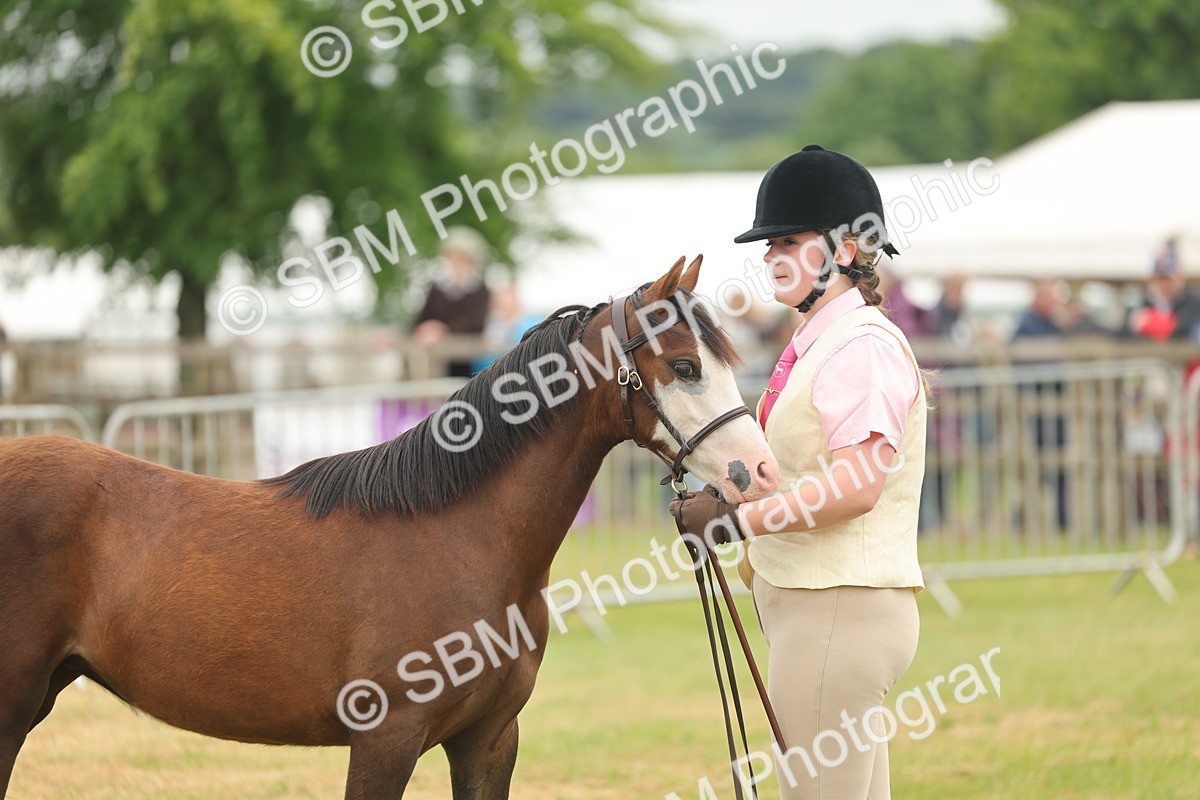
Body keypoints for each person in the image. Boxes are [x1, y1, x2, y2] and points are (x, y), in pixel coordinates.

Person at [670, 145, 925, 800]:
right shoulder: (822, 341)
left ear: (843, 248)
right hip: (822, 610)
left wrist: (737, 520)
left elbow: (858, 486)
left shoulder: (860, 346)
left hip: (836, 612)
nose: (770, 257)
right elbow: (802, 470)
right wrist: (723, 492)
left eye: (787, 241)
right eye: (768, 244)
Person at [410, 226, 492, 378]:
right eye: (452, 258)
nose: (456, 264)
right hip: (435, 361)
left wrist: (442, 330)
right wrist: (424, 329)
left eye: (461, 259)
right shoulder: (436, 288)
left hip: (467, 362)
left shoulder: (481, 290)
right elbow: (421, 319)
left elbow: (476, 323)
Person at [1126, 239, 1200, 342]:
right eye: (1160, 279)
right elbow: (1123, 333)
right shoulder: (1146, 302)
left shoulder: (1194, 303)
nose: (1164, 284)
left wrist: (1158, 325)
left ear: (1180, 277)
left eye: (1168, 279)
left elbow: (1189, 329)